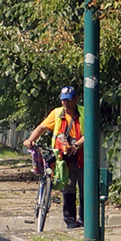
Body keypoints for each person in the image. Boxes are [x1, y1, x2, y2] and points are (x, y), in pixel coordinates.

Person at [28, 85, 86, 228]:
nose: (66, 103)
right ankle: (70, 221)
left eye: (69, 100)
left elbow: (89, 133)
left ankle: (85, 220)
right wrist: (31, 139)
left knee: (86, 189)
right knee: (68, 187)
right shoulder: (57, 113)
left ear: (76, 99)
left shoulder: (85, 113)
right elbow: (42, 127)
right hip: (63, 159)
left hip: (83, 157)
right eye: (63, 101)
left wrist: (76, 146)